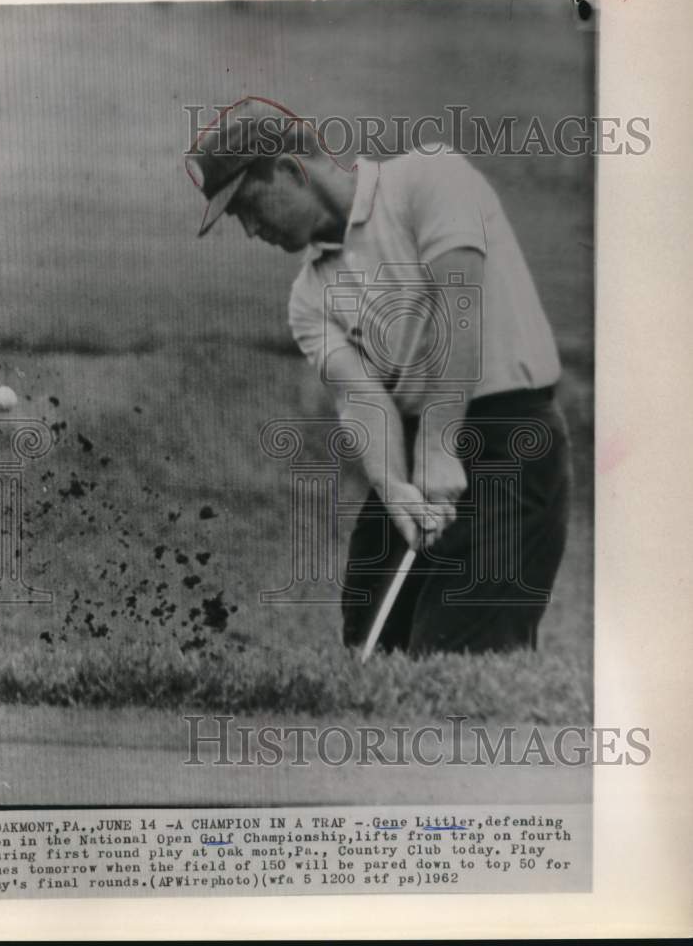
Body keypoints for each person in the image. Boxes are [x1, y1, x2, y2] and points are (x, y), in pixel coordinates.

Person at [188, 97, 571, 656]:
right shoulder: (308, 298)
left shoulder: (428, 178)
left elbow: (459, 305)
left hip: (512, 435)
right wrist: (395, 489)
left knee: (458, 657)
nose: (249, 229)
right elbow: (364, 401)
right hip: (413, 446)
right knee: (371, 643)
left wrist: (442, 445)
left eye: (247, 205)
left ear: (292, 171)